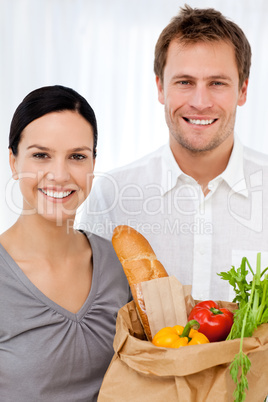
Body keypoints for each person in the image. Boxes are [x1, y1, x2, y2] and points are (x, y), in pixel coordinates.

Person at [77, 5, 268, 302]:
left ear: (242, 90)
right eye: (185, 82)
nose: (200, 102)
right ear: (160, 88)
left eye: (217, 83)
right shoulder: (111, 197)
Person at [0, 85, 131, 402]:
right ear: (14, 162)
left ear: (93, 165)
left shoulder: (117, 264)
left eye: (77, 156)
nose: (59, 175)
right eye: (41, 155)